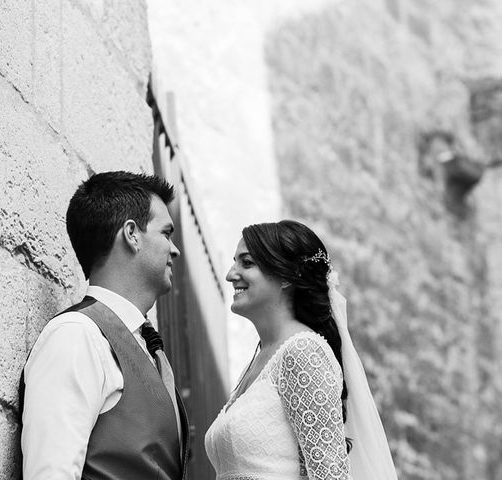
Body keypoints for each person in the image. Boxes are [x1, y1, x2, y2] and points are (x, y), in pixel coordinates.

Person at [20, 171, 189, 479]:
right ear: (131, 234)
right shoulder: (76, 336)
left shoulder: (144, 345)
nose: (175, 249)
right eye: (166, 233)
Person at [205, 219, 397, 479]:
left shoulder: (303, 352)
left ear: (286, 276)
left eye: (247, 263)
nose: (230, 274)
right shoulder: (263, 356)